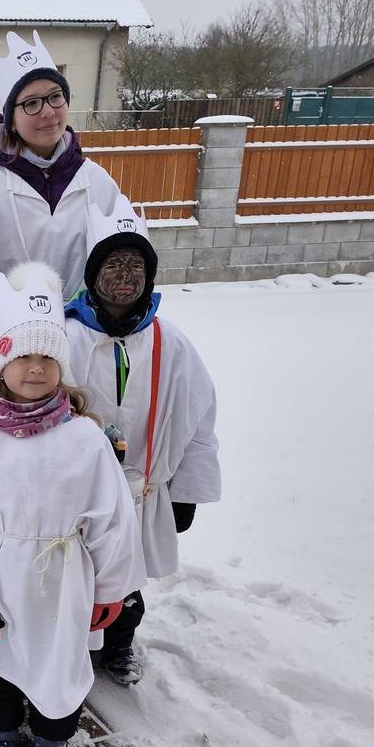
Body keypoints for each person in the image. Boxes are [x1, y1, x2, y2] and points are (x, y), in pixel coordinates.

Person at [0, 262, 144, 747]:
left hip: (68, 573)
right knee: (0, 665)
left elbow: (113, 519)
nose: (35, 367)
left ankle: (53, 741)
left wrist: (111, 589)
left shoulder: (86, 438)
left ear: (63, 366)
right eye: (22, 355)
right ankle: (0, 733)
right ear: (0, 364)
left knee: (65, 663)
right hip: (5, 575)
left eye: (48, 356)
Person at [64, 196, 221, 684]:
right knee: (75, 572)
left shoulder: (169, 342)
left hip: (140, 490)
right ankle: (74, 644)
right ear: (92, 275)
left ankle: (119, 643)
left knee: (126, 578)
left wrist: (186, 491)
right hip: (76, 493)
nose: (125, 276)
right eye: (113, 264)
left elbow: (199, 418)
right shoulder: (64, 338)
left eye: (136, 265)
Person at [0, 30, 123, 297]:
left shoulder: (98, 183)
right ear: (11, 121)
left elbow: (119, 260)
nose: (48, 112)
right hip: (4, 330)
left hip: (86, 331)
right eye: (31, 103)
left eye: (55, 96)